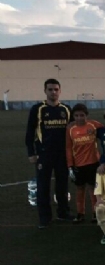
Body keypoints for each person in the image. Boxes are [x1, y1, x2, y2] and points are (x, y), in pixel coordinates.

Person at [25, 78, 73, 229]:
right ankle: (45, 217)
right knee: (43, 186)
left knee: (62, 184)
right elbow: (30, 132)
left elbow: (72, 132)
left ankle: (63, 212)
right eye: (50, 89)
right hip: (43, 154)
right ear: (45, 91)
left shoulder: (66, 109)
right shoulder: (38, 109)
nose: (53, 92)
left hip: (62, 154)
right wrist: (31, 152)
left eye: (56, 89)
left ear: (60, 91)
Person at [66, 103, 102, 223]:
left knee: (93, 189)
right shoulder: (70, 129)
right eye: (76, 115)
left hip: (93, 163)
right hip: (78, 165)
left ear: (87, 115)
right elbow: (68, 148)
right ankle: (80, 213)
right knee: (80, 189)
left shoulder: (94, 125)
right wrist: (70, 166)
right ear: (73, 116)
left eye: (82, 115)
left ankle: (95, 212)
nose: (79, 118)